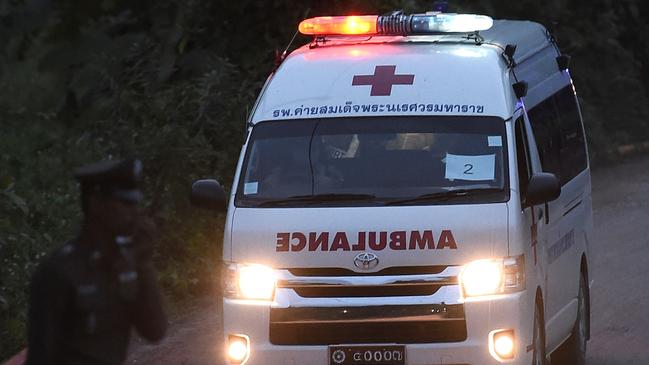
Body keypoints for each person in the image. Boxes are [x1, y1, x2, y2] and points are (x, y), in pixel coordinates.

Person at [26, 159, 167, 365]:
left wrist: (143, 262)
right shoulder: (59, 272)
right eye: (125, 203)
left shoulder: (125, 265)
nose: (134, 212)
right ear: (96, 203)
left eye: (135, 203)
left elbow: (155, 331)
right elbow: (41, 356)